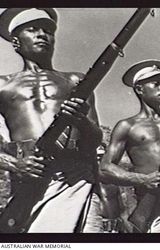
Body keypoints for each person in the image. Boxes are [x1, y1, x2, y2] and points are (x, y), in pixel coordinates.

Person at [0, 8, 103, 232]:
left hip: (75, 180)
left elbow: (96, 139)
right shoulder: (3, 85)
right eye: (32, 29)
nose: (42, 35)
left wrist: (82, 120)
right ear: (16, 42)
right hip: (31, 179)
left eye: (47, 30)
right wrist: (15, 164)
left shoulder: (76, 81)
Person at [99, 59, 160, 233]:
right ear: (139, 89)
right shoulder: (127, 126)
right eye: (157, 84)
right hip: (153, 207)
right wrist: (143, 180)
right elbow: (104, 169)